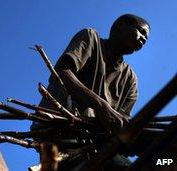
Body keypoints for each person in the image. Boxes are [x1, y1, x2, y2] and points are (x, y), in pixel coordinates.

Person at [31, 14, 150, 170]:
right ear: (121, 24)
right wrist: (101, 105)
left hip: (96, 142)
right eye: (141, 31)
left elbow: (119, 123)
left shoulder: (130, 79)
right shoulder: (91, 38)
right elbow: (62, 71)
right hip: (59, 132)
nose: (142, 40)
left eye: (145, 40)